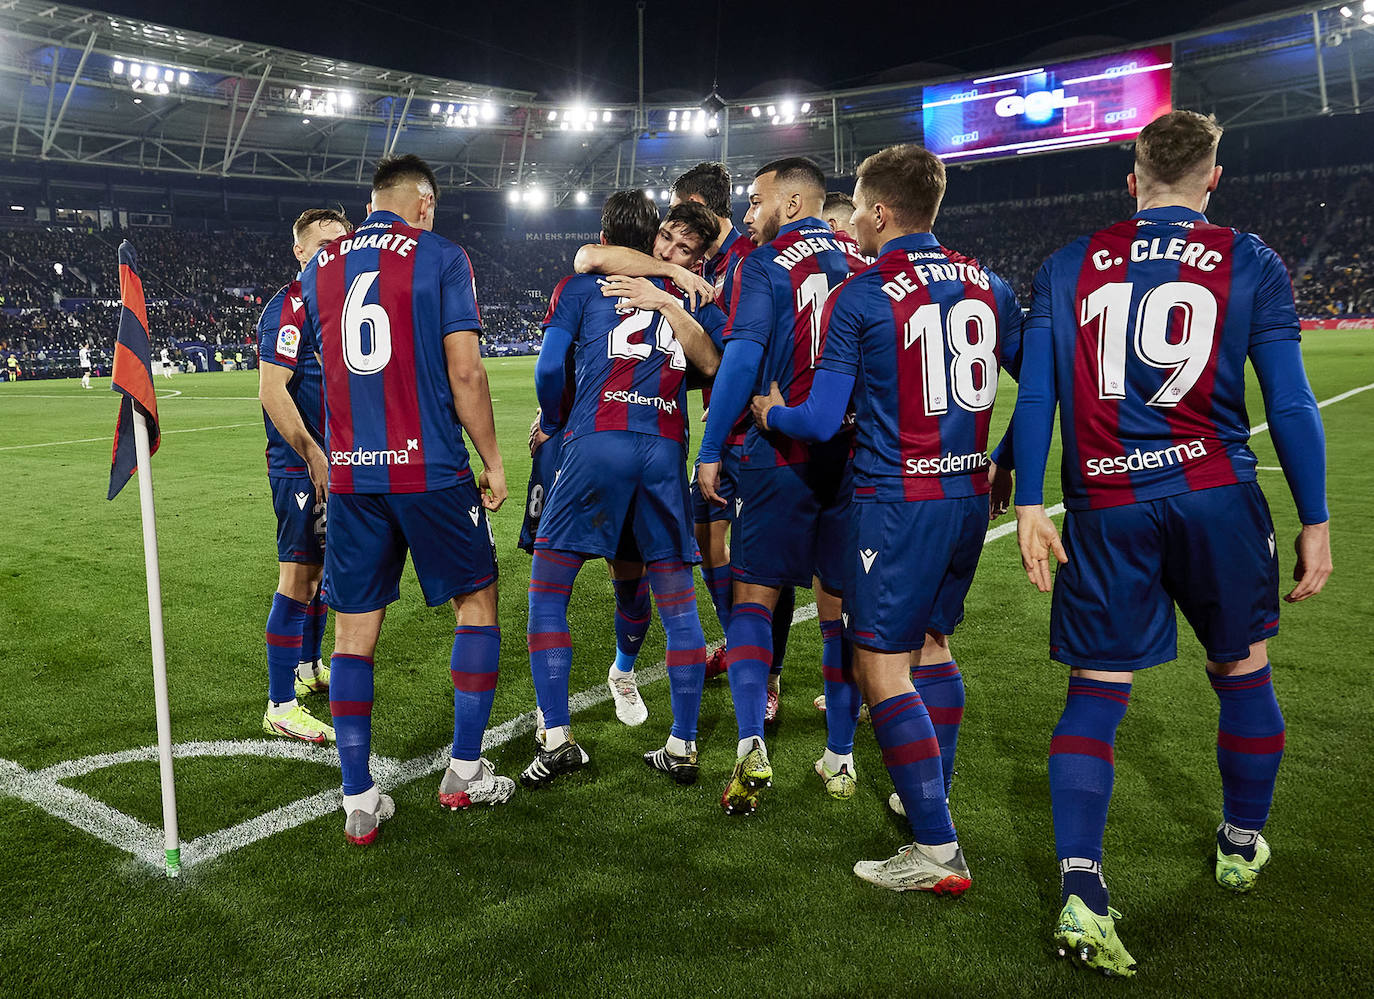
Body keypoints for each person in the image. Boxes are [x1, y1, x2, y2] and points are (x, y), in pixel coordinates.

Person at [1012, 110, 1332, 977]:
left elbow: (1036, 395)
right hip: (1216, 497)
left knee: (1095, 690)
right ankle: (1239, 841)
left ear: (1132, 177)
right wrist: (1316, 518)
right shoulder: (1250, 259)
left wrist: (1034, 500)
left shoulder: (1066, 264)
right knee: (1243, 671)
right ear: (1213, 177)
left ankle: (1083, 886)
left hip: (1107, 504)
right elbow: (1294, 404)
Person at [753, 143, 1023, 892]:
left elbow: (820, 417)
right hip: (968, 497)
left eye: (859, 211)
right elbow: (1041, 390)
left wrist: (774, 408)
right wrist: (1004, 457)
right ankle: (920, 792)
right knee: (933, 647)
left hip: (896, 501)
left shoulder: (865, 293)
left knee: (880, 666)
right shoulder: (990, 283)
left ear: (877, 211)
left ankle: (937, 850)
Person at [298, 153, 515, 845]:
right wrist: (494, 458)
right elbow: (465, 370)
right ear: (423, 204)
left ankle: (358, 798)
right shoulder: (442, 254)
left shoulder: (319, 265)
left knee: (353, 635)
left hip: (355, 477)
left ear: (371, 201)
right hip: (432, 468)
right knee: (477, 605)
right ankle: (464, 771)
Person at [523, 191, 723, 789]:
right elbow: (710, 365)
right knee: (679, 605)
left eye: (684, 247)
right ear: (654, 238)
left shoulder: (583, 286)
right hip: (663, 449)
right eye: (668, 240)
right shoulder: (690, 298)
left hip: (597, 441)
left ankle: (556, 737)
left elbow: (550, 369)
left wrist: (555, 422)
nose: (672, 250)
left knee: (549, 591)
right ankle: (682, 744)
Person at [696, 157, 863, 814]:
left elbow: (740, 358)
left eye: (756, 200)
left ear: (793, 203)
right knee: (837, 612)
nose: (746, 214)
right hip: (851, 461)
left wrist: (711, 448)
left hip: (778, 454)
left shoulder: (764, 264)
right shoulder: (863, 257)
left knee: (753, 602)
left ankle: (749, 747)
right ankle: (841, 757)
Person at [670, 162, 797, 702]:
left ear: (704, 206)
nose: (674, 225)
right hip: (723, 423)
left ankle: (767, 676)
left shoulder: (749, 259)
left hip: (755, 434)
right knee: (707, 542)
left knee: (763, 564)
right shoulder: (710, 263)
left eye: (683, 211)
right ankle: (737, 642)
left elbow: (741, 351)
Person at [256, 208, 352, 744]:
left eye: (341, 241)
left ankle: (308, 667)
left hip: (332, 461)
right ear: (299, 252)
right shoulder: (291, 306)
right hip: (300, 464)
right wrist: (314, 454)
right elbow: (272, 391)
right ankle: (280, 704)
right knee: (297, 578)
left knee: (317, 574)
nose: (332, 250)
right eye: (321, 243)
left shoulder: (338, 304)